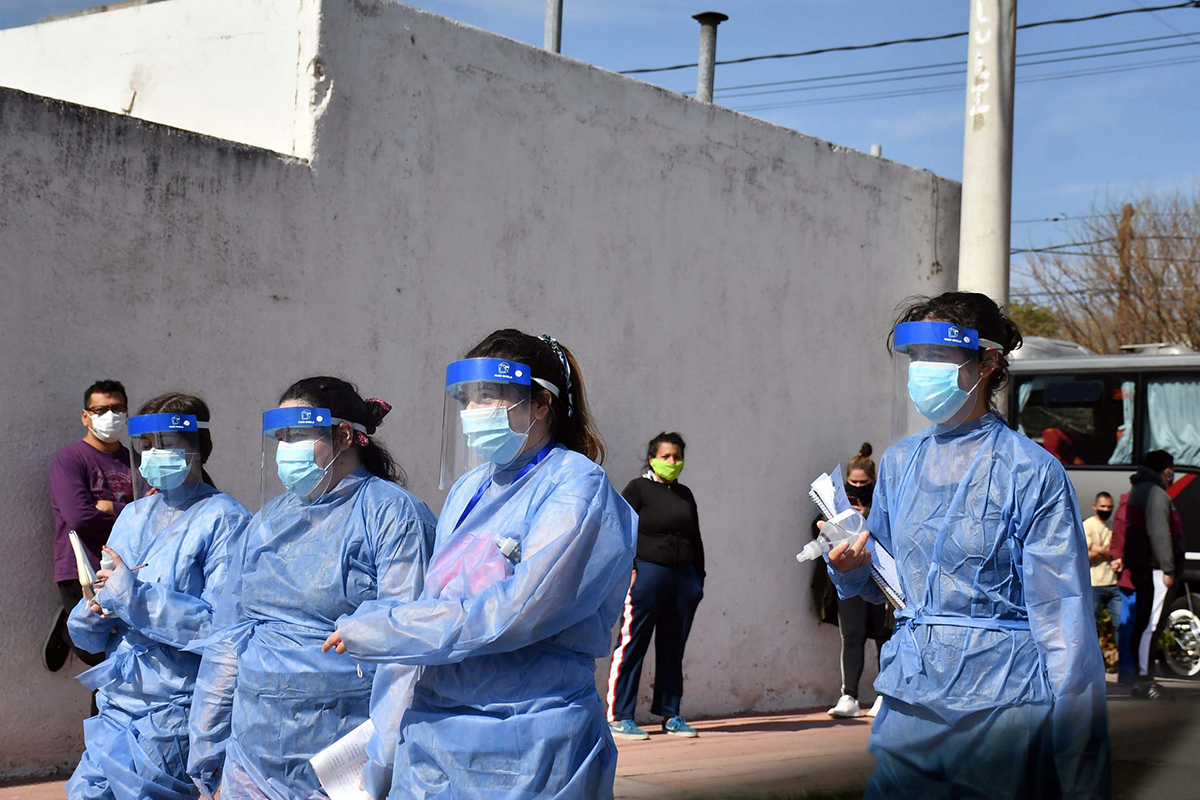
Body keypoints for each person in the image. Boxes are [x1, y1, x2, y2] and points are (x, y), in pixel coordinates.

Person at [324, 330, 637, 800]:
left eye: (489, 398)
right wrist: (383, 753)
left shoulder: (577, 487)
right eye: (468, 400)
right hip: (434, 737)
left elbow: (512, 612)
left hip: (528, 742)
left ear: (540, 404)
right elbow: (436, 603)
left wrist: (383, 629)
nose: (474, 414)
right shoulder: (469, 488)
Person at [827, 292, 1110, 798]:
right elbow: (886, 585)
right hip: (911, 700)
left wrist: (1080, 761)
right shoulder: (899, 463)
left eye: (939, 356)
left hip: (1002, 707)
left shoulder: (1031, 471)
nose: (924, 371)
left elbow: (1064, 621)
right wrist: (850, 566)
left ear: (988, 361)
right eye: (918, 358)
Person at [187, 378, 437, 800]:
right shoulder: (267, 520)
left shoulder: (393, 515)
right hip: (251, 755)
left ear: (343, 436)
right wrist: (207, 750)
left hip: (342, 762)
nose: (287, 450)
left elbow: (407, 651)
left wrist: (383, 764)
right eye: (281, 437)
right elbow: (228, 641)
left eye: (298, 435)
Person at [66, 393, 252, 800]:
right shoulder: (133, 516)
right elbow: (97, 620)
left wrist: (135, 599)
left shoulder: (226, 519)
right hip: (115, 703)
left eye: (165, 444)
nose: (153, 455)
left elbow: (223, 627)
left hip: (171, 711)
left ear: (198, 449)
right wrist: (92, 613)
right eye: (145, 446)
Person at [606, 431, 705, 740]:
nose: (672, 462)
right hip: (646, 576)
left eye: (677, 457)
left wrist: (698, 578)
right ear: (652, 459)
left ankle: (670, 713)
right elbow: (618, 528)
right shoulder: (639, 489)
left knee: (673, 647)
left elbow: (695, 537)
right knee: (632, 643)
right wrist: (631, 570)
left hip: (682, 579)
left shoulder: (685, 494)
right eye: (666, 456)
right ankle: (619, 715)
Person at [46, 379, 136, 671]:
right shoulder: (71, 460)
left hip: (127, 569)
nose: (110, 416)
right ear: (86, 416)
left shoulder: (136, 461)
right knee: (95, 654)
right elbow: (79, 518)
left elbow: (155, 510)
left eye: (117, 408)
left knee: (119, 652)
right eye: (101, 410)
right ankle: (66, 627)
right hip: (83, 570)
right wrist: (131, 513)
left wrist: (112, 507)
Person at [826, 444, 891, 720]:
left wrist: (866, 517)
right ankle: (848, 695)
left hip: (879, 580)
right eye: (853, 483)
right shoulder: (839, 504)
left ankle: (882, 695)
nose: (858, 487)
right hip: (851, 580)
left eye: (863, 484)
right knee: (851, 637)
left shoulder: (881, 504)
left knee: (883, 637)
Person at [1110, 450, 1177, 699]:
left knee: (1141, 624)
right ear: (1163, 468)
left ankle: (1141, 680)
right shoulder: (1155, 493)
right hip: (1152, 568)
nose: (1172, 472)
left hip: (1140, 566)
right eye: (1170, 467)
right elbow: (1161, 534)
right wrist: (1168, 567)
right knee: (1148, 625)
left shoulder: (1137, 491)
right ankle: (1144, 679)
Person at [1084, 492, 1121, 647]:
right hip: (1094, 584)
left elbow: (1118, 551)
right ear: (1095, 506)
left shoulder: (1114, 526)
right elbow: (1085, 557)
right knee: (1090, 625)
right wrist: (1106, 552)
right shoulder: (1088, 525)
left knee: (1121, 623)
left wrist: (1097, 549)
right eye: (1103, 506)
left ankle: (1122, 664)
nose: (1106, 509)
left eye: (1110, 507)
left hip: (1113, 583)